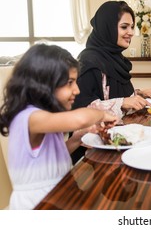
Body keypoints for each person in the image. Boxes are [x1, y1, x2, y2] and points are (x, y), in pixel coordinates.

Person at [0, 44, 118, 210]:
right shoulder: (29, 118)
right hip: (36, 206)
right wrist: (102, 114)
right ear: (42, 83)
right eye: (69, 82)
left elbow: (51, 157)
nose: (77, 90)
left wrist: (77, 139)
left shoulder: (46, 118)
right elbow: (79, 119)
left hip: (58, 197)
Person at [72, 1, 151, 162]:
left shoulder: (114, 58)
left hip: (120, 143)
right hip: (94, 155)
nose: (131, 32)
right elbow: (80, 110)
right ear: (107, 27)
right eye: (124, 27)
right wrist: (122, 102)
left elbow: (109, 92)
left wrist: (138, 93)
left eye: (132, 27)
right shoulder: (88, 62)